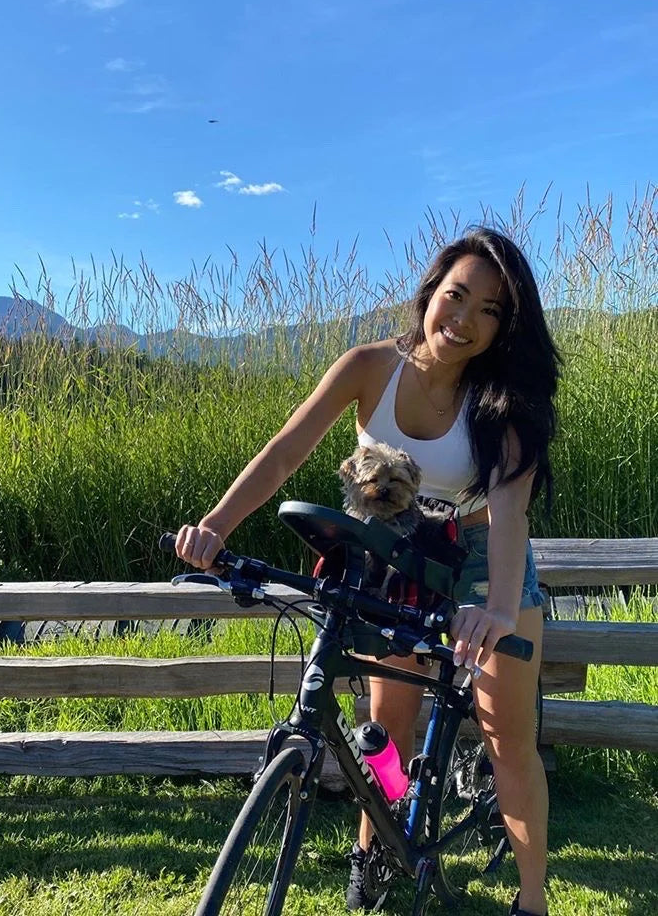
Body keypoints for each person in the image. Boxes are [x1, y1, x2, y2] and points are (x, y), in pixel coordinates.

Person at [175, 227, 559, 916]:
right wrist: (215, 526)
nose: (464, 319)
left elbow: (509, 513)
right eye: (456, 296)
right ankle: (373, 851)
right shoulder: (370, 367)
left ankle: (533, 898)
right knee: (388, 722)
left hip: (479, 552)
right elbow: (286, 450)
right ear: (431, 292)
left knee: (506, 735)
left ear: (505, 327)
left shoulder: (502, 401)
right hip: (395, 547)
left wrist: (500, 608)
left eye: (490, 311)